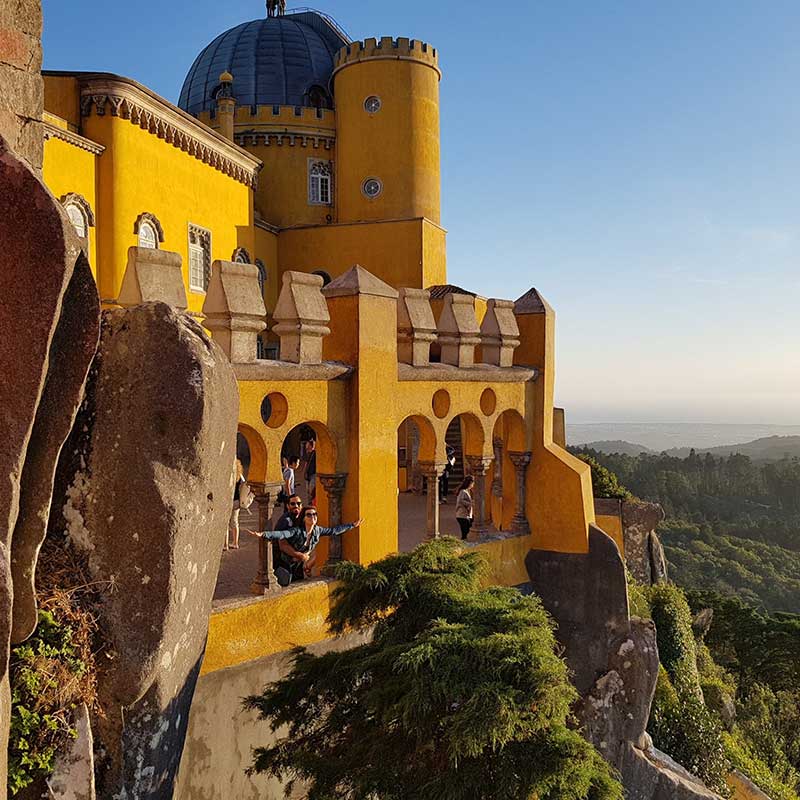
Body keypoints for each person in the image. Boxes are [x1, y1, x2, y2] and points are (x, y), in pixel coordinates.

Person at [245, 508, 363, 587]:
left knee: (298, 584)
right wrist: (264, 534)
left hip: (298, 566)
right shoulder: (297, 531)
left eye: (314, 514)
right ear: (304, 518)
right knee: (284, 583)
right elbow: (282, 534)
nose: (313, 517)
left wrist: (352, 525)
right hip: (285, 563)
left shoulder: (317, 531)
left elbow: (333, 531)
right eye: (309, 515)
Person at [228, 460, 247, 550]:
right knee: (235, 522)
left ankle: (225, 544)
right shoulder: (239, 475)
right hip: (236, 500)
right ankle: (235, 542)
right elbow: (245, 484)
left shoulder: (227, 474)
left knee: (226, 523)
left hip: (228, 500)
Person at [455, 475, 475, 540]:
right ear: (470, 483)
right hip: (462, 515)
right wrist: (470, 503)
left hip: (465, 515)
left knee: (466, 533)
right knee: (465, 534)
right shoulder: (463, 491)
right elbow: (460, 500)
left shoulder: (466, 491)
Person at [303, 439, 317, 505]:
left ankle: (312, 503)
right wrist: (304, 472)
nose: (306, 447)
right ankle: (310, 504)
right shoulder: (308, 454)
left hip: (313, 474)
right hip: (308, 475)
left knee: (311, 490)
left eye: (308, 445)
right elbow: (306, 463)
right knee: (308, 491)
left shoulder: (315, 454)